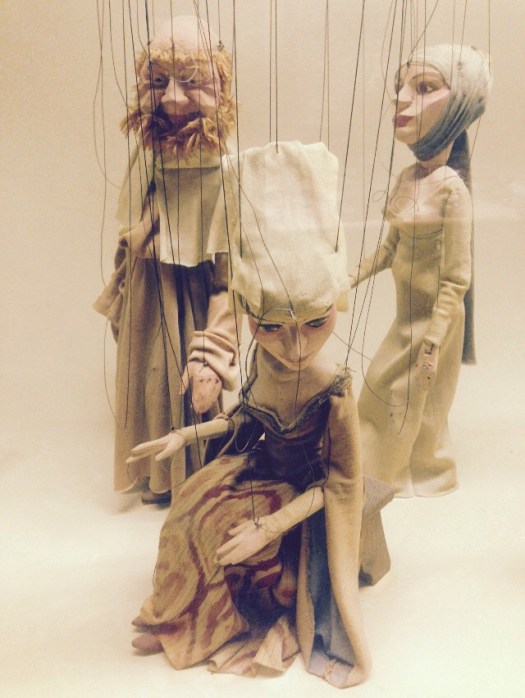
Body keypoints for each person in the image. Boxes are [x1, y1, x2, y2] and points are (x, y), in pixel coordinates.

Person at [126, 142, 371, 687]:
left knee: (221, 525)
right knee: (188, 505)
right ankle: (173, 616)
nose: (294, 347)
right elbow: (249, 416)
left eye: (315, 323)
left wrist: (271, 526)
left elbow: (342, 484)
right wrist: (187, 435)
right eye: (271, 327)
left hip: (302, 496)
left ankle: (210, 626)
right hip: (260, 468)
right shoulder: (265, 360)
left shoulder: (334, 389)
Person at [94, 15, 238, 503]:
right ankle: (154, 472)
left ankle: (190, 475)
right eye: (158, 82)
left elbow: (231, 272)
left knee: (182, 381)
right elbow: (134, 219)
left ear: (220, 85)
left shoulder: (225, 170)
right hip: (148, 287)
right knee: (148, 377)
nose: (173, 100)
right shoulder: (148, 155)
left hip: (193, 292)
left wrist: (216, 349)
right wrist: (127, 267)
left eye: (192, 81)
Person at [351, 44, 492, 496]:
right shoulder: (408, 179)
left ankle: (421, 474)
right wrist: (347, 278)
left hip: (435, 322)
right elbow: (390, 248)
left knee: (419, 403)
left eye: (424, 87)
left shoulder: (452, 191)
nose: (400, 99)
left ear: (457, 108)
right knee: (381, 388)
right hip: (406, 319)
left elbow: (456, 278)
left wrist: (434, 340)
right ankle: (381, 469)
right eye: (399, 87)